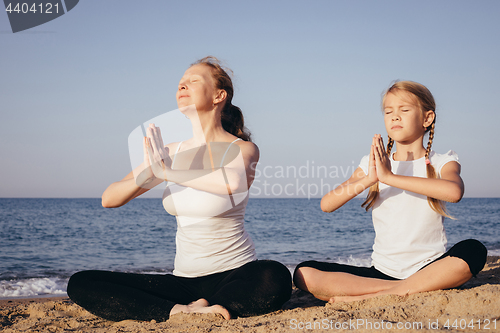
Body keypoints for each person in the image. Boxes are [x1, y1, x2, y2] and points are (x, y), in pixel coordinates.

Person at [67, 56, 292, 321]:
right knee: (81, 283)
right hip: (183, 284)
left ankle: (210, 305)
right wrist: (151, 171)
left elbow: (232, 183)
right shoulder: (171, 152)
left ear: (220, 95)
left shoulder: (241, 149)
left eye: (193, 81)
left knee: (275, 276)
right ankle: (181, 311)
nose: (182, 87)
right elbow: (110, 198)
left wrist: (168, 172)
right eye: (180, 84)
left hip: (235, 274)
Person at [293, 81, 487, 303]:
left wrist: (391, 178)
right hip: (383, 273)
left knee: (474, 250)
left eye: (404, 110)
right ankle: (401, 289)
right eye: (388, 111)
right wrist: (370, 178)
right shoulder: (372, 165)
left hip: (430, 267)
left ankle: (372, 295)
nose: (395, 116)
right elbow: (327, 204)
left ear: (427, 118)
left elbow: (454, 192)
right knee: (303, 272)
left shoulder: (442, 162)